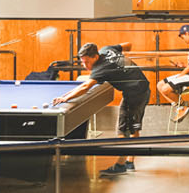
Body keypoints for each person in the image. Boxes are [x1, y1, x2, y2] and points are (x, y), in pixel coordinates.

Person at [54, 42, 151, 176]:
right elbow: (128, 45)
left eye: (87, 62)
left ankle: (121, 165)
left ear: (95, 57)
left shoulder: (100, 68)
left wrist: (66, 99)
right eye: (82, 62)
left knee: (122, 130)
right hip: (142, 89)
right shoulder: (107, 50)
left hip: (134, 94)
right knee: (133, 127)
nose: (85, 65)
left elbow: (85, 87)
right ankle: (129, 162)